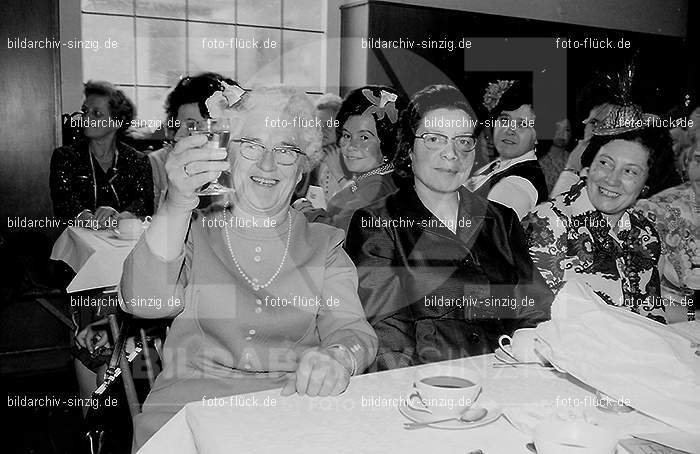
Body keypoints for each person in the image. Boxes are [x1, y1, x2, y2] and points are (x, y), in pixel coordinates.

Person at [120, 86, 377, 448]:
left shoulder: (324, 244)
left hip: (289, 409)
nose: (268, 165)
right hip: (190, 410)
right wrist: (176, 203)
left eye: (286, 151)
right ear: (228, 155)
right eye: (251, 145)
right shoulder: (192, 230)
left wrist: (339, 356)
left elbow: (353, 330)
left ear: (303, 168)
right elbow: (144, 303)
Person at [345, 84, 553, 371]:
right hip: (424, 389)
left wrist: (528, 349)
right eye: (434, 139)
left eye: (463, 141)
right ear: (408, 148)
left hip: (505, 381)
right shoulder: (378, 223)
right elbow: (386, 331)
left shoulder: (500, 220)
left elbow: (536, 307)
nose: (452, 154)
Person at [525, 103, 671, 324]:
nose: (611, 180)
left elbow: (652, 316)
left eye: (630, 171)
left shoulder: (644, 234)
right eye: (605, 163)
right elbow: (535, 321)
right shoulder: (548, 222)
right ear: (589, 165)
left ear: (646, 185)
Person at [295, 85, 407, 233]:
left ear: (388, 144)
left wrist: (305, 212)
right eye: (347, 135)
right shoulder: (371, 177)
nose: (350, 146)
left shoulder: (377, 185)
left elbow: (338, 232)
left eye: (364, 137)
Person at [50, 80, 153, 228]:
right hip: (80, 244)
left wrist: (123, 216)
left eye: (96, 114)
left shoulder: (137, 160)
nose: (86, 118)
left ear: (117, 122)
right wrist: (86, 217)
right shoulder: (65, 157)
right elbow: (63, 203)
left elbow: (145, 203)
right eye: (85, 111)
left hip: (125, 242)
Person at [149, 72, 242, 210]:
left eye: (192, 125)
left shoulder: (250, 169)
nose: (178, 137)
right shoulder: (161, 164)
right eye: (178, 125)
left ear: (222, 126)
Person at [466, 79, 548, 219]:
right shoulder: (497, 164)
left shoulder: (520, 183)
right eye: (504, 119)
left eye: (522, 124)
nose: (510, 130)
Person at [636, 144, 700, 322]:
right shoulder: (657, 211)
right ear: (686, 162)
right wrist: (693, 317)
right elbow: (642, 300)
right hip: (674, 324)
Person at [309, 93, 345, 200]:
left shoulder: (354, 161)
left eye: (328, 125)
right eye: (318, 124)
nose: (321, 130)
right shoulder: (312, 158)